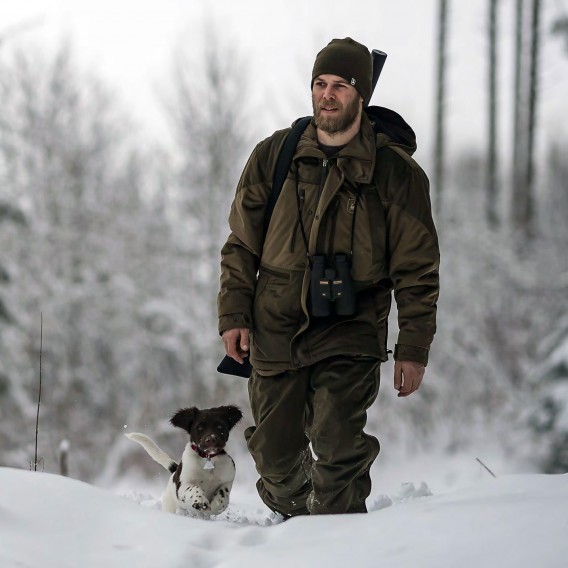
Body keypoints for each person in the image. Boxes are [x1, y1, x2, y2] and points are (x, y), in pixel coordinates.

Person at [218, 37, 439, 517]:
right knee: (275, 459)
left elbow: (417, 270)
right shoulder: (273, 156)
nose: (328, 94)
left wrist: (414, 347)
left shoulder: (396, 173)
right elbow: (240, 245)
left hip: (351, 323)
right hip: (276, 323)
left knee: (338, 446)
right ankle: (297, 523)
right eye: (320, 84)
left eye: (341, 85)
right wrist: (234, 314)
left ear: (361, 95)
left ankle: (338, 540)